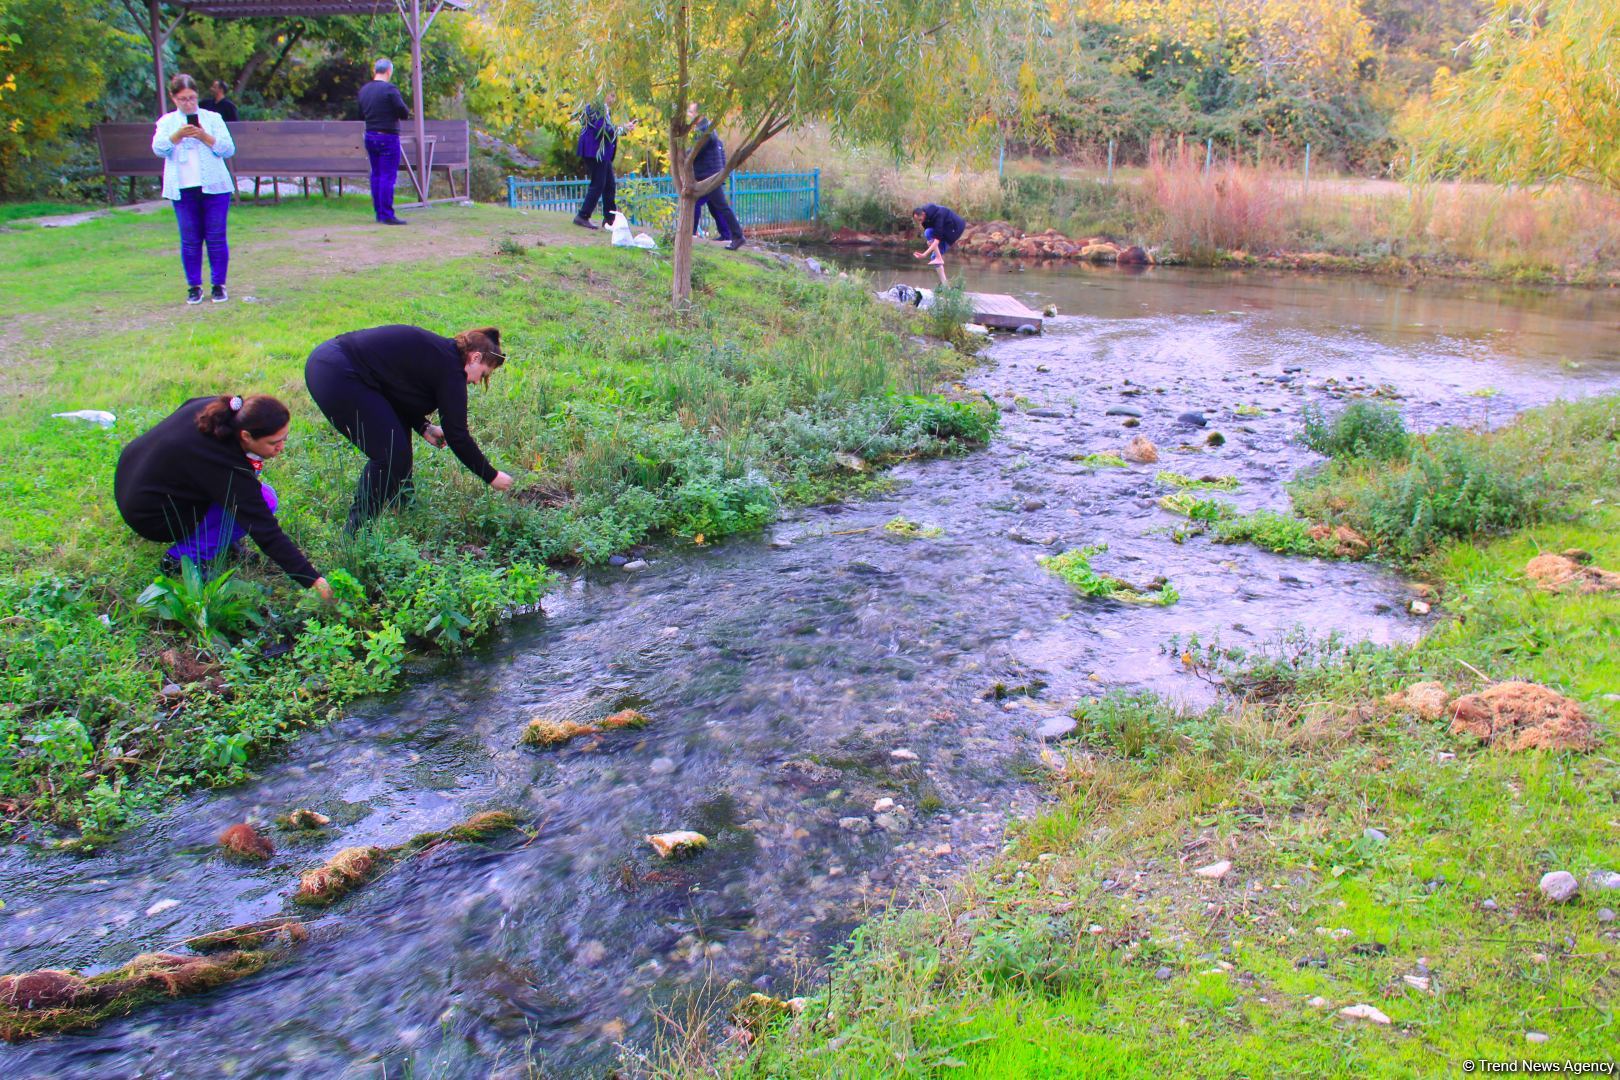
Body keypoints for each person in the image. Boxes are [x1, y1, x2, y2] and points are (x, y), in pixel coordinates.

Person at [115, 394, 332, 600]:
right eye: (273, 443)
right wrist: (313, 581)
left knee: (249, 492)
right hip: (151, 515)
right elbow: (264, 529)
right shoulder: (222, 462)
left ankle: (222, 540)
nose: (281, 448)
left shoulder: (223, 411)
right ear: (246, 435)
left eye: (284, 438)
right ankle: (181, 560)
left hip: (133, 479)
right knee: (265, 499)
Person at [304, 324, 515, 533]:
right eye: (483, 373)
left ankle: (406, 509)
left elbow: (393, 389)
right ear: (475, 357)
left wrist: (423, 426)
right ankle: (355, 535)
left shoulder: (441, 355)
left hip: (328, 362)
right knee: (390, 454)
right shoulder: (451, 369)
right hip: (338, 371)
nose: (478, 381)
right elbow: (457, 435)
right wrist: (491, 476)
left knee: (398, 442)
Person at [151, 73, 236, 305]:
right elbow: (159, 148)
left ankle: (219, 284)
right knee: (190, 239)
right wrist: (177, 136)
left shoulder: (212, 118)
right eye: (183, 99)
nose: (188, 103)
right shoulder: (167, 121)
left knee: (216, 237)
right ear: (173, 98)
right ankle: (194, 286)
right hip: (183, 187)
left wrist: (204, 136)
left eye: (192, 98)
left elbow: (228, 149)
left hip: (214, 187)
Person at [358, 58, 410, 225]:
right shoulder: (390, 90)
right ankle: (387, 214)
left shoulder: (364, 90)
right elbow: (403, 112)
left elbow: (360, 113)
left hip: (370, 135)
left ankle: (379, 212)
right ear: (389, 71)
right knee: (388, 176)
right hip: (388, 136)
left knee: (377, 175)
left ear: (375, 71)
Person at [573, 92, 636, 230]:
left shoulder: (603, 108)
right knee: (599, 183)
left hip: (601, 152)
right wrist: (622, 129)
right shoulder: (595, 107)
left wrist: (623, 129)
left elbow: (607, 131)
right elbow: (601, 131)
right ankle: (583, 216)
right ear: (603, 94)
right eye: (612, 95)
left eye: (615, 95)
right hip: (594, 152)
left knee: (609, 185)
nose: (614, 99)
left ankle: (610, 220)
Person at [687, 103, 744, 250]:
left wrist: (683, 155)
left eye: (691, 112)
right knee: (713, 206)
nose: (689, 114)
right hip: (709, 175)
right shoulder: (704, 129)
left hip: (709, 176)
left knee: (717, 206)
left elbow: (695, 151)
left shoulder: (705, 131)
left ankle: (737, 236)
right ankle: (732, 235)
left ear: (700, 115)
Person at [912, 203, 966, 286]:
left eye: (920, 219)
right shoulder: (925, 220)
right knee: (928, 232)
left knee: (934, 257)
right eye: (917, 221)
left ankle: (945, 286)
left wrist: (924, 254)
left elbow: (937, 240)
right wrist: (929, 241)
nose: (920, 222)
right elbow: (931, 236)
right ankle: (945, 285)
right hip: (945, 227)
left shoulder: (939, 215)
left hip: (955, 228)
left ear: (923, 214)